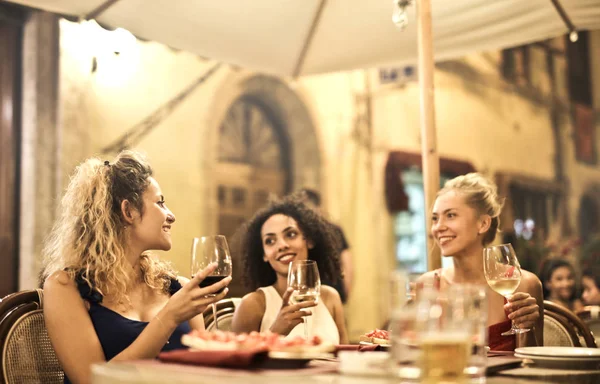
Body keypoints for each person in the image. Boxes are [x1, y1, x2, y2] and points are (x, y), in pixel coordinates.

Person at [41, 151, 231, 384]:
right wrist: (169, 317)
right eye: (160, 202)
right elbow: (92, 381)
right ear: (128, 211)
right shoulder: (64, 288)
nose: (171, 215)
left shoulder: (178, 288)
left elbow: (204, 374)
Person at [417, 173, 543, 351]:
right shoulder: (427, 285)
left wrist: (526, 328)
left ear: (483, 224)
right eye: (435, 218)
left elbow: (534, 366)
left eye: (451, 215)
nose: (438, 227)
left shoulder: (523, 284)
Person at [231, 196, 349, 344]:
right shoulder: (252, 304)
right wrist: (276, 331)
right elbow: (237, 361)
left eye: (291, 234)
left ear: (309, 240)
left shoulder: (330, 297)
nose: (282, 245)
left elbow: (344, 356)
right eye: (270, 241)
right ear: (264, 255)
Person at [299, 188, 353, 303]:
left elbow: (347, 262)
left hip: (311, 290)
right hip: (332, 288)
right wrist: (346, 289)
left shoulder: (299, 232)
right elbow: (348, 263)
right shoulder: (335, 229)